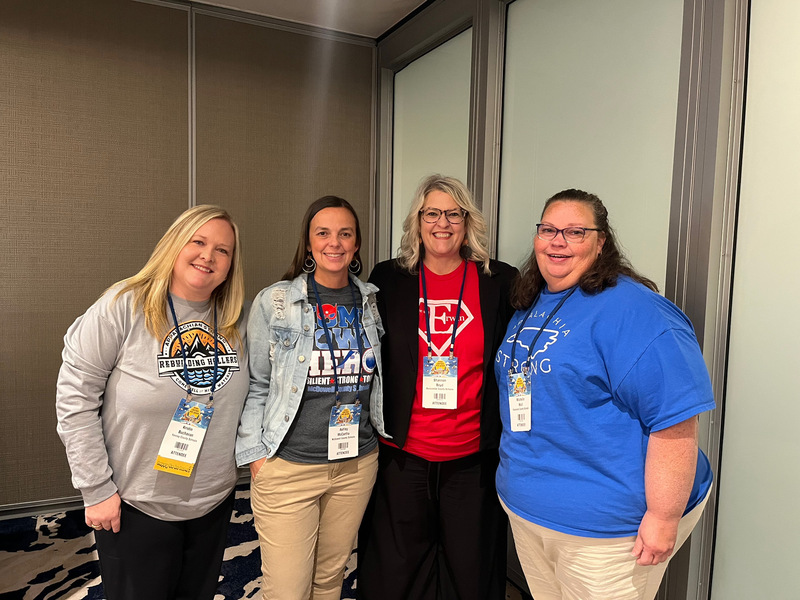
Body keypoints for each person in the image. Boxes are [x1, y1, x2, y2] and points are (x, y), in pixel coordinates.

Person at [495, 189, 716, 600]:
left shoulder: (637, 311)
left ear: (601, 243)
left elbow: (676, 417)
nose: (557, 241)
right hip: (529, 510)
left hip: (606, 531)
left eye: (575, 231)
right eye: (548, 229)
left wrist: (664, 517)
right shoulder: (534, 301)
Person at [56, 205, 248, 600]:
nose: (208, 256)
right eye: (198, 241)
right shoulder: (123, 306)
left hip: (212, 501)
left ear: (231, 265)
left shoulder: (236, 319)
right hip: (135, 503)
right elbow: (75, 399)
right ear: (174, 245)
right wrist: (95, 489)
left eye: (223, 250)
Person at [358, 175, 518, 600]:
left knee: (471, 567)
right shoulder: (390, 279)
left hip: (472, 455)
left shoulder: (498, 281)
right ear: (418, 220)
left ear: (468, 222)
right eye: (432, 213)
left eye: (453, 214)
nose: (442, 223)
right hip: (403, 452)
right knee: (397, 565)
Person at [236, 196, 386, 600]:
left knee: (329, 579)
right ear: (308, 241)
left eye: (345, 234)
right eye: (323, 233)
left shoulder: (371, 300)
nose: (333, 242)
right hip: (289, 465)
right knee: (287, 589)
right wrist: (256, 455)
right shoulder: (277, 302)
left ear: (356, 245)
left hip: (356, 465)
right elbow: (257, 384)